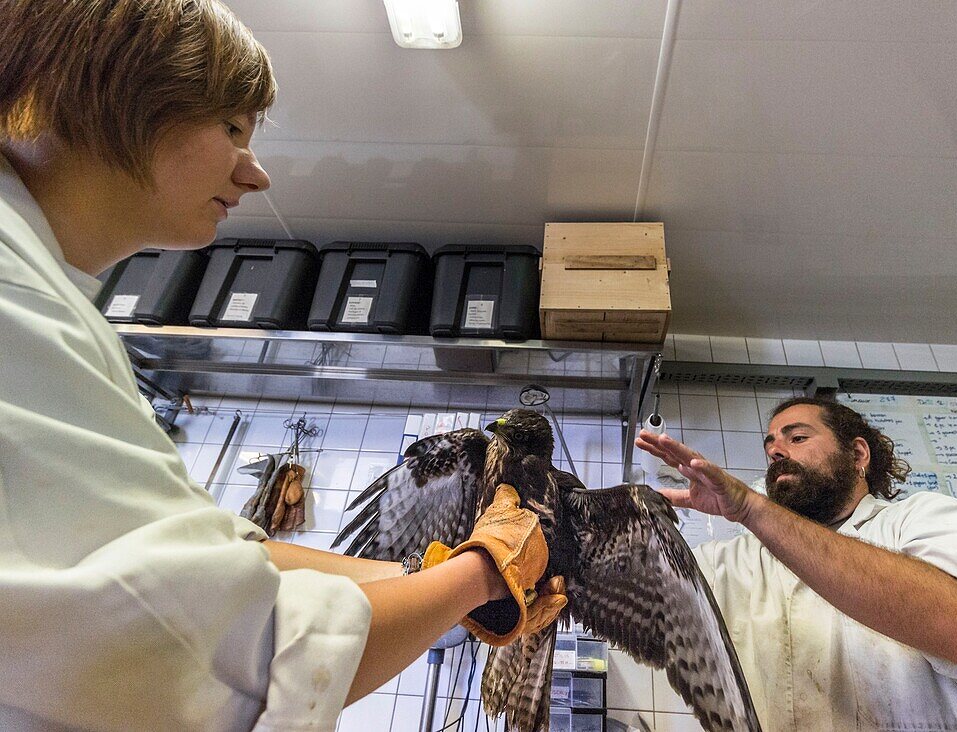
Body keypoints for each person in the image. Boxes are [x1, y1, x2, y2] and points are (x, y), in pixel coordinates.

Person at [0, 2, 563, 730]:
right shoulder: (18, 302)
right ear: (115, 96)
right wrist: (484, 571)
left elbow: (214, 563)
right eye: (232, 128)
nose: (255, 172)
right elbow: (222, 649)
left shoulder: (42, 295)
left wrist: (436, 581)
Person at [636, 395, 957, 731]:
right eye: (771, 446)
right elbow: (623, 592)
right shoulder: (736, 562)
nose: (777, 452)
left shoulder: (924, 520)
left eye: (797, 438)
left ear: (858, 455)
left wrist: (752, 508)